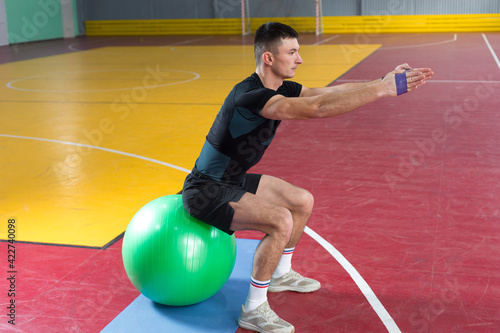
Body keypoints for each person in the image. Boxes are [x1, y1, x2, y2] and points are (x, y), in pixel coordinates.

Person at [182, 21, 434, 333]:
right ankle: (254, 308)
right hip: (205, 190)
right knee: (280, 220)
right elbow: (315, 108)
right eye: (292, 52)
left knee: (301, 201)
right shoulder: (249, 96)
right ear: (269, 58)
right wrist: (382, 90)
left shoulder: (281, 87)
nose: (300, 59)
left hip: (230, 181)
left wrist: (381, 81)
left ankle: (280, 274)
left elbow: (327, 92)